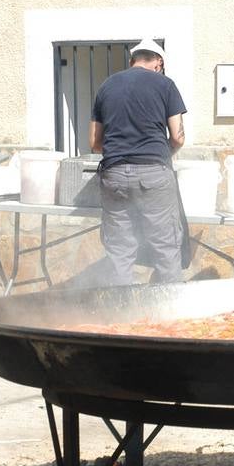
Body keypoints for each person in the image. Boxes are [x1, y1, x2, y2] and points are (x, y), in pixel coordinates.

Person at [89, 39, 188, 285]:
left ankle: (123, 315)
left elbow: (94, 142)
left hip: (114, 175)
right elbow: (177, 136)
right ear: (159, 63)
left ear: (132, 60)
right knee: (166, 247)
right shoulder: (165, 84)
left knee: (120, 250)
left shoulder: (107, 86)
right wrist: (160, 154)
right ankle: (170, 313)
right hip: (153, 173)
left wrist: (121, 152)